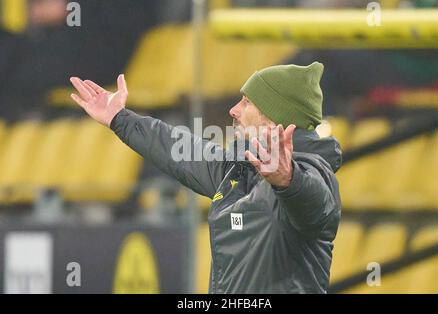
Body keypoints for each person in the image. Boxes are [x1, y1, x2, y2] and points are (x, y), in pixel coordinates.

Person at [69, 62, 342, 293]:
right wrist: (120, 118)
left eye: (247, 102)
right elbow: (178, 150)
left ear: (273, 119)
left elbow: (318, 210)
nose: (234, 110)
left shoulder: (310, 171)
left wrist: (288, 182)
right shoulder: (239, 169)